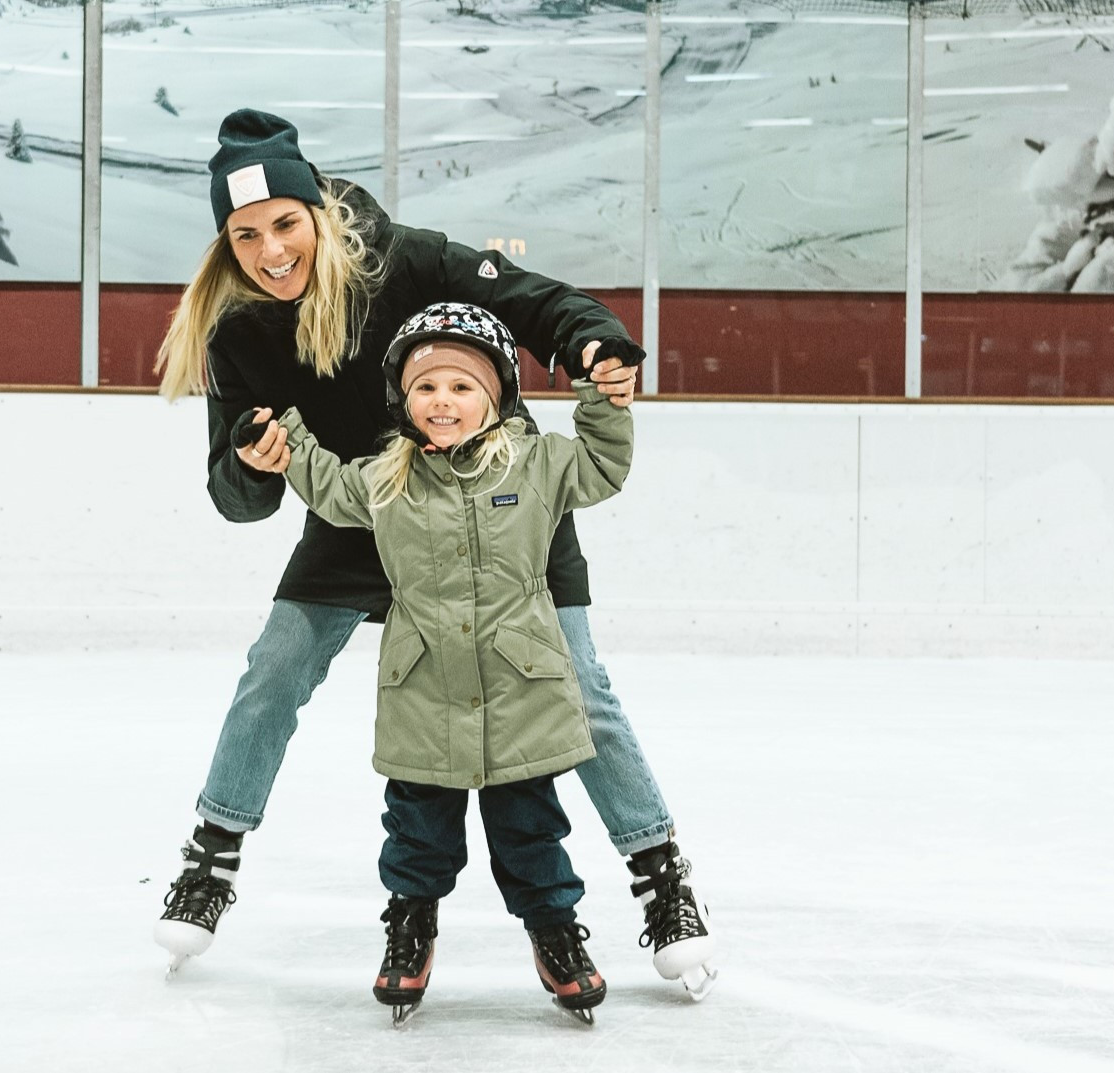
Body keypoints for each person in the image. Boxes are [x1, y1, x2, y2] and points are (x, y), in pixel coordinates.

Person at [149, 108, 717, 999]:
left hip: (498, 501)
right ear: (226, 241)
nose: (270, 251)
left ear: (319, 214)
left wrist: (591, 340)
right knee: (276, 664)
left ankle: (661, 877)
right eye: (245, 234)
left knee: (577, 682)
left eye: (285, 225)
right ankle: (209, 857)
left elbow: (532, 297)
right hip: (359, 512)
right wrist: (252, 467)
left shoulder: (406, 259)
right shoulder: (241, 331)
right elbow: (236, 491)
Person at [258, 301, 628, 1023]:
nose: (442, 401)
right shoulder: (386, 476)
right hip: (422, 684)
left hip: (521, 685)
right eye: (426, 387)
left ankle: (553, 929)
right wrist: (287, 436)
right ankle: (411, 922)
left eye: (462, 386)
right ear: (403, 399)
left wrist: (600, 395)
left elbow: (603, 465)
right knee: (416, 831)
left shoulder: (539, 460)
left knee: (532, 829)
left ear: (496, 395)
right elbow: (329, 488)